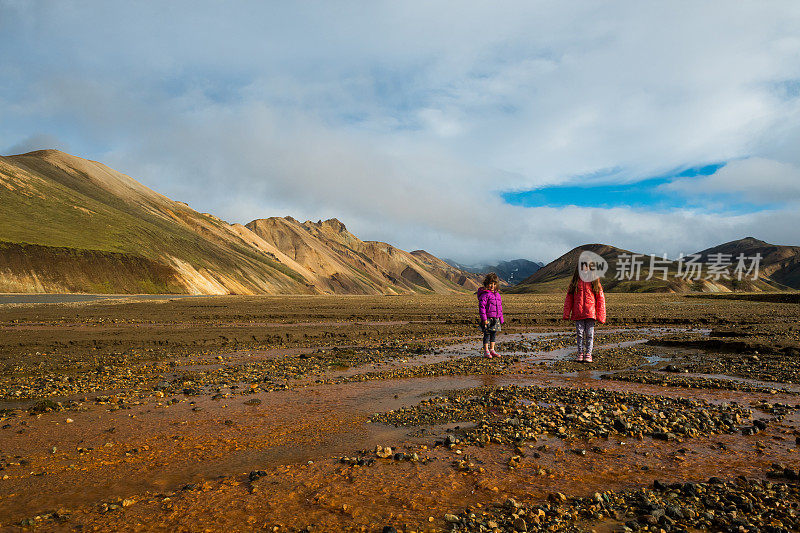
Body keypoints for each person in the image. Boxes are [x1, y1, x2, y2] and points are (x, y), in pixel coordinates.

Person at [562, 263, 606, 362]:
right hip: (578, 313)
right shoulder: (574, 283)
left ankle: (588, 354)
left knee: (590, 334)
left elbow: (600, 299)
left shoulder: (594, 282)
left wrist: (601, 316)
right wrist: (566, 314)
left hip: (590, 313)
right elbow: (569, 299)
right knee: (580, 334)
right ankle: (580, 353)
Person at [477, 272, 504, 358]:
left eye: (494, 284)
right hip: (488, 318)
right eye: (490, 284)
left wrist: (501, 318)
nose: (492, 286)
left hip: (496, 318)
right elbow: (482, 307)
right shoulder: (485, 295)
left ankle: (492, 349)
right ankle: (486, 351)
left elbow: (499, 307)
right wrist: (484, 319)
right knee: (487, 334)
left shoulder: (497, 295)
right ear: (486, 284)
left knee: (493, 334)